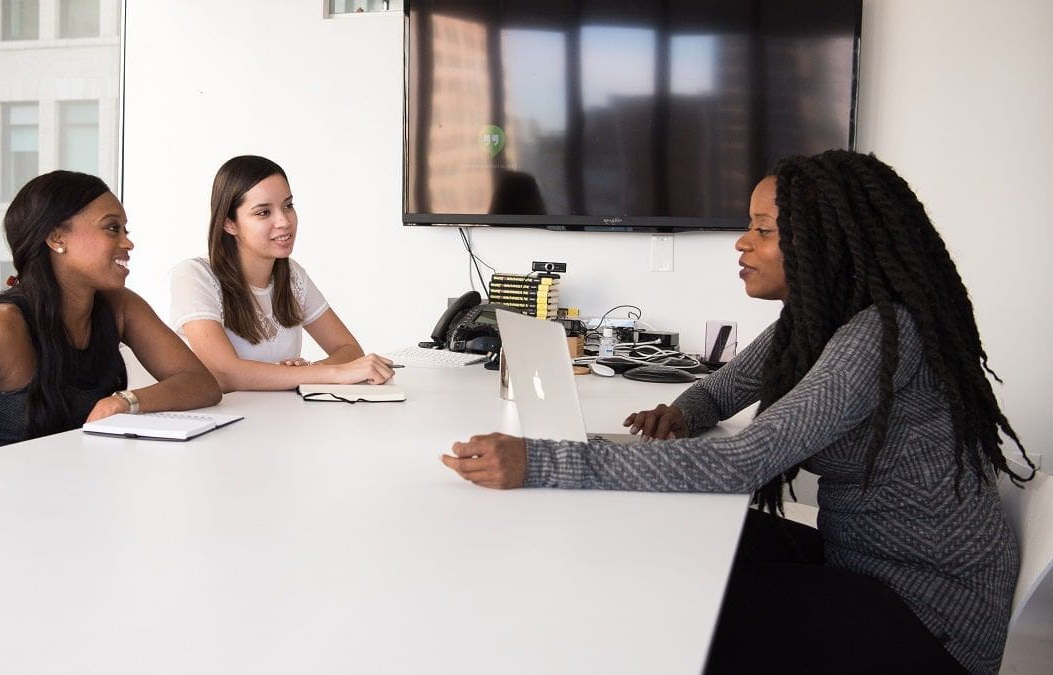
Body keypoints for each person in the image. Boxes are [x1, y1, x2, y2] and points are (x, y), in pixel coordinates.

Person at [441, 150, 1035, 674]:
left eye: (764, 229)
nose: (741, 242)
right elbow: (722, 390)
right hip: (863, 562)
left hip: (929, 617)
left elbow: (742, 462)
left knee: (675, 609)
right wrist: (682, 412)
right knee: (670, 547)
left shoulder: (881, 333)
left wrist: (542, 462)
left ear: (825, 241)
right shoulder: (810, 326)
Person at [0, 171, 221, 471]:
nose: (127, 242)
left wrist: (125, 401)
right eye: (111, 228)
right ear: (57, 238)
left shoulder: (120, 307)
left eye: (125, 229)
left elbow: (201, 384)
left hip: (74, 497)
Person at [169, 155, 394, 392]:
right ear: (229, 223)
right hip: (225, 423)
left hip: (283, 419)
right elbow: (225, 374)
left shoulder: (292, 275)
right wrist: (318, 374)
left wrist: (303, 374)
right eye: (263, 212)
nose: (284, 221)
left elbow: (349, 349)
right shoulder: (194, 276)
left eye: (288, 205)